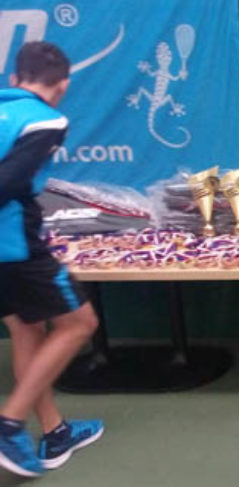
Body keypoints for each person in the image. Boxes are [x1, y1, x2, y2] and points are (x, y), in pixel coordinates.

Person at [0, 41, 104, 477]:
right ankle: (9, 425)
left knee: (28, 328)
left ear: (13, 79)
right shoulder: (47, 119)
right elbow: (7, 183)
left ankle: (55, 431)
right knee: (80, 323)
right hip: (14, 247)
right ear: (63, 85)